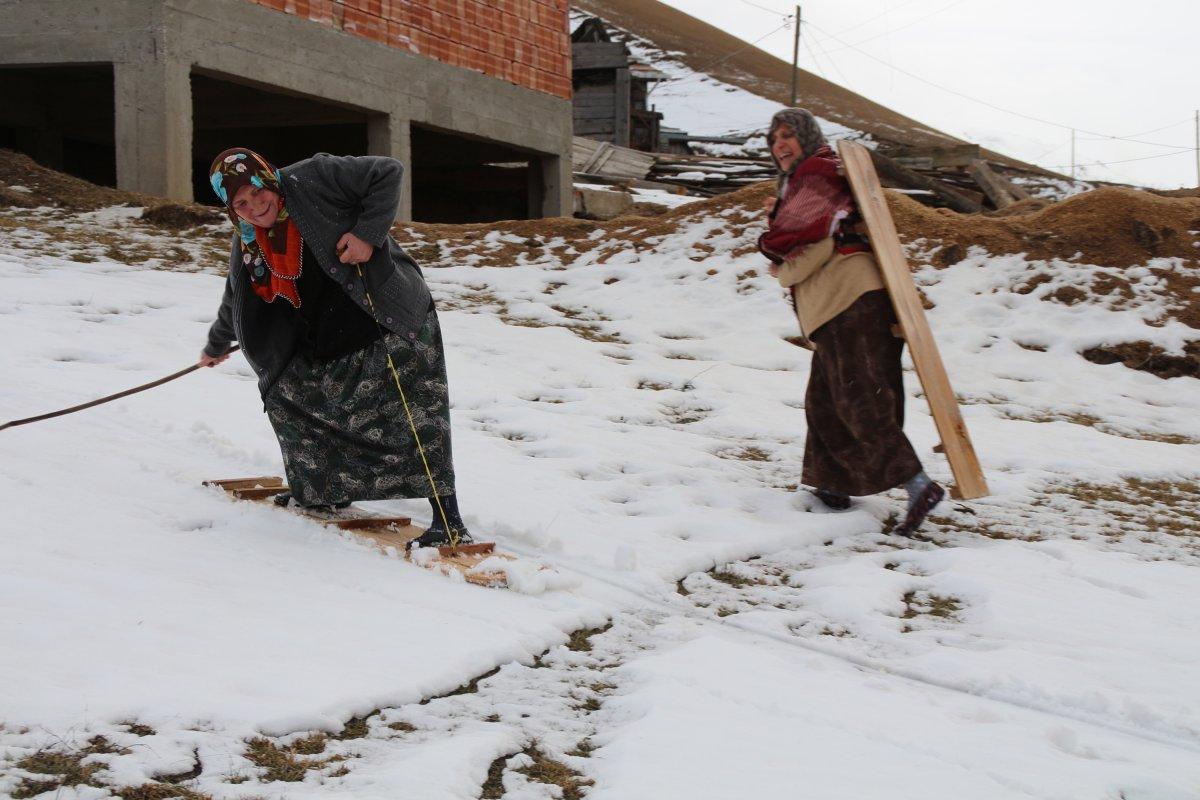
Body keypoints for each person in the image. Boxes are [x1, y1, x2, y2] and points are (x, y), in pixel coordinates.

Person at [199, 147, 470, 549]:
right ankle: (326, 489)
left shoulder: (313, 177)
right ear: (231, 208)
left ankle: (448, 521)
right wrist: (217, 344)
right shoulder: (248, 241)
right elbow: (236, 297)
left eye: (258, 192)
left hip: (384, 314)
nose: (255, 206)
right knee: (293, 397)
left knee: (412, 413)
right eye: (240, 203)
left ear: (268, 179)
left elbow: (387, 172)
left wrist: (366, 235)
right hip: (325, 332)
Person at [758, 109, 944, 536]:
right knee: (824, 400)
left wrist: (773, 239)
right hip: (834, 306)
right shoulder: (805, 178)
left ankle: (918, 486)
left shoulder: (818, 172)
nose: (780, 145)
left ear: (807, 137)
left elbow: (797, 235)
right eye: (774, 139)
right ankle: (833, 486)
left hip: (851, 300)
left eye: (788, 135)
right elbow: (799, 234)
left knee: (859, 398)